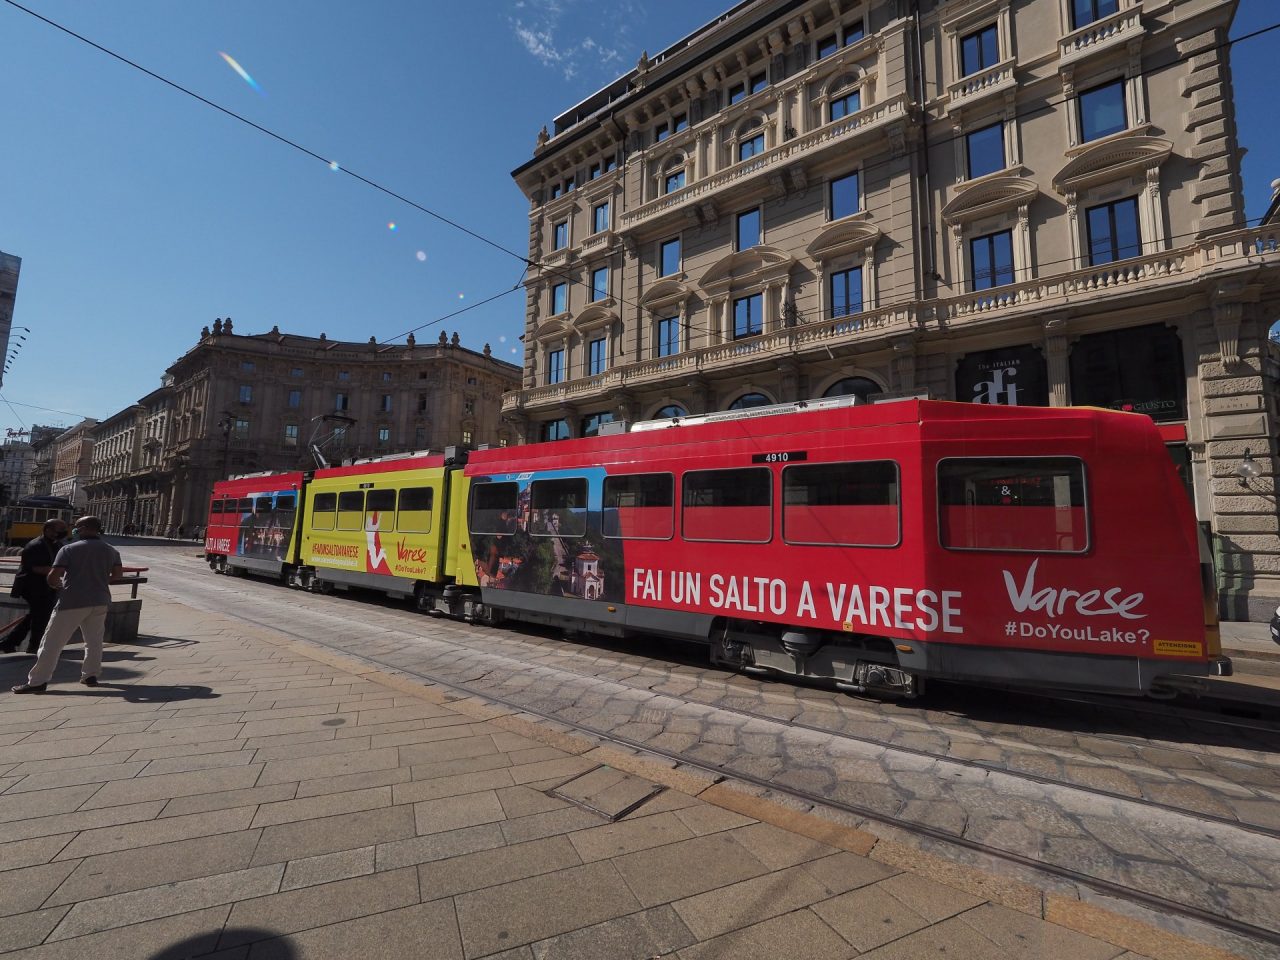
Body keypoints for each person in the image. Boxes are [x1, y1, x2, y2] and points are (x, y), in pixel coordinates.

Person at [12, 516, 122, 694]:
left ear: (84, 528)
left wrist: (56, 585)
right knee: (94, 641)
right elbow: (117, 575)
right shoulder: (111, 550)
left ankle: (38, 681)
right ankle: (91, 675)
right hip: (100, 600)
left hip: (72, 601)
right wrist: (99, 582)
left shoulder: (69, 549)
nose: (74, 530)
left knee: (51, 642)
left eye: (77, 527)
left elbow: (54, 576)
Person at [1, 519, 69, 654]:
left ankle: (10, 642)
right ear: (48, 530)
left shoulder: (56, 544)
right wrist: (56, 571)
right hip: (32, 586)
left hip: (46, 586)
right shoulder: (35, 545)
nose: (63, 532)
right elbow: (34, 568)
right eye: (60, 529)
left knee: (37, 615)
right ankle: (33, 645)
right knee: (40, 616)